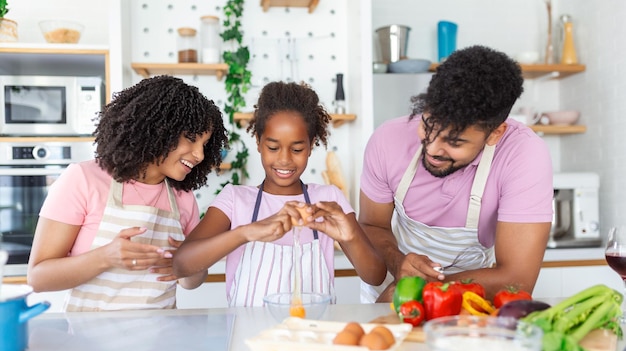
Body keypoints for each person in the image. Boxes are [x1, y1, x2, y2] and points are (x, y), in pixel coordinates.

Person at [359, 45, 553, 303]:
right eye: (427, 126)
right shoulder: (388, 139)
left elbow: (517, 279)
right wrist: (398, 264)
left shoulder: (524, 155)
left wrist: (419, 289)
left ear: (495, 133)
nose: (432, 148)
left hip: (471, 304)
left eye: (455, 142)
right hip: (392, 293)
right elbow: (372, 225)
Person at [173, 81, 386, 306]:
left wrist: (350, 236)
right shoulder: (235, 200)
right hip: (248, 337)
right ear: (258, 142)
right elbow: (182, 264)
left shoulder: (329, 199)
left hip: (313, 336)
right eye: (273, 148)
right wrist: (246, 233)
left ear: (311, 145)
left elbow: (375, 276)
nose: (284, 159)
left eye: (297, 149)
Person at [27, 75, 228, 311]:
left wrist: (185, 265)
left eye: (204, 145)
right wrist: (106, 257)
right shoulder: (84, 179)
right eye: (192, 139)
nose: (199, 155)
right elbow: (38, 278)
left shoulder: (182, 198)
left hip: (164, 344)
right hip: (89, 344)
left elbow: (192, 281)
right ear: (158, 129)